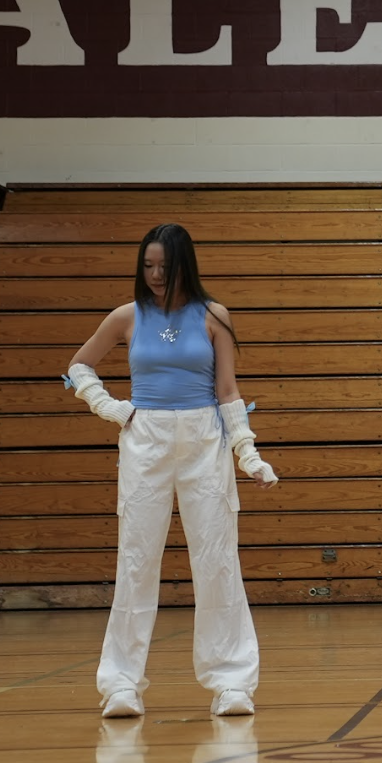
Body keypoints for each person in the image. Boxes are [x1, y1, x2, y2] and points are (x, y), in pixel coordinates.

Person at [64, 223, 276, 719]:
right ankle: (121, 684)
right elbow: (79, 366)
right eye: (148, 266)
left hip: (205, 439)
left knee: (217, 558)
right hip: (145, 440)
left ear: (186, 264)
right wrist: (110, 407)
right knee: (136, 560)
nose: (156, 275)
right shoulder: (126, 317)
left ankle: (232, 682)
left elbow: (227, 390)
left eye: (165, 266)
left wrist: (247, 452)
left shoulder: (212, 316)